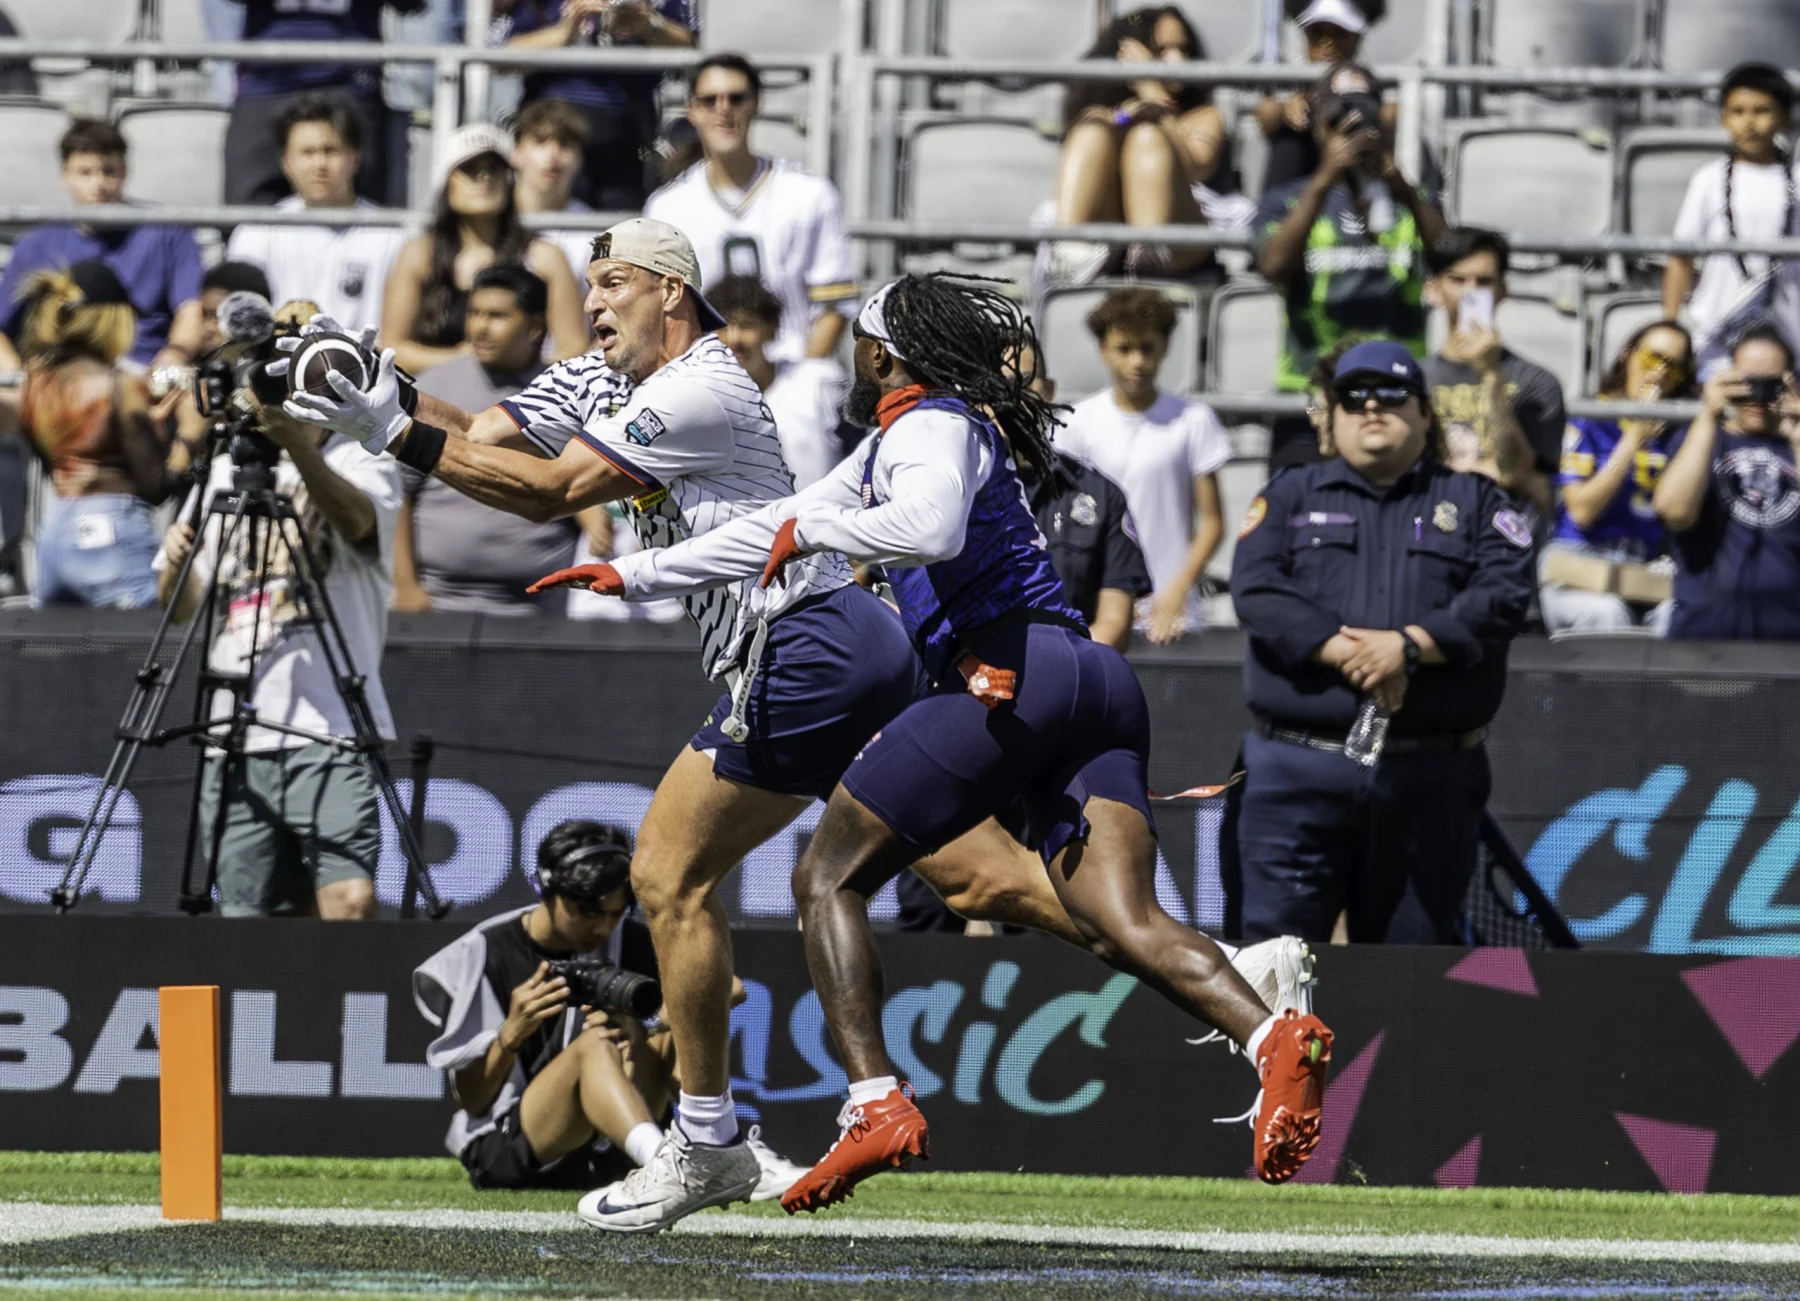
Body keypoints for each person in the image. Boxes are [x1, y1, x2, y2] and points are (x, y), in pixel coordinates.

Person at [280, 220, 1133, 1229]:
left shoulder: (702, 384)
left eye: (614, 283)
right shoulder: (597, 378)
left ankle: (707, 1136)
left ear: (672, 295)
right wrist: (365, 373)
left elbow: (545, 492)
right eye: (589, 283)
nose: (592, 301)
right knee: (976, 875)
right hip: (854, 641)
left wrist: (386, 427)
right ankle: (1192, 958)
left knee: (666, 873)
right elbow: (484, 436)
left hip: (804, 644)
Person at [577, 274, 1335, 1215]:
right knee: (1117, 919)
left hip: (1006, 672)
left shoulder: (926, 423)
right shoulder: (908, 436)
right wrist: (635, 571)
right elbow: (768, 530)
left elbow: (920, 528)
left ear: (887, 351)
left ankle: (874, 1102)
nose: (854, 356)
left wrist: (814, 526)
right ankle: (1272, 1043)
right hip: (1093, 679)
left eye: (861, 340)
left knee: (826, 876)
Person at [1229, 340, 1533, 944]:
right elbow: (1257, 589)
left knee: (1411, 978)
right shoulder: (1290, 494)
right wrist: (1348, 653)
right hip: (1297, 768)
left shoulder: (1474, 501)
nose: (1372, 406)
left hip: (1430, 773)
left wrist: (1412, 646)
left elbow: (1505, 590)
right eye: (1352, 396)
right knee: (1272, 964)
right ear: (1331, 413)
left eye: (1393, 395)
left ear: (1425, 413)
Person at [413, 819, 806, 1198]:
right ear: (545, 890)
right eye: (588, 911)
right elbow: (473, 1101)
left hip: (605, 1153)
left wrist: (651, 1022)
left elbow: (729, 989)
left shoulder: (628, 939)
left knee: (675, 1026)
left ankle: (728, 1147)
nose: (603, 927)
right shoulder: (485, 952)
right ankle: (664, 1162)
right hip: (509, 1146)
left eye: (617, 913)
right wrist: (510, 1035)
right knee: (594, 1046)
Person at [153, 341, 404, 920]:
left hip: (332, 726)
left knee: (350, 903)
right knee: (246, 918)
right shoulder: (224, 469)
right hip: (233, 729)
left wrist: (299, 451)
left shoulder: (361, 458)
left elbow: (358, 523)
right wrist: (177, 563)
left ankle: (346, 1011)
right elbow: (183, 608)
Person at [1255, 62, 1444, 471]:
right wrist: (1324, 181)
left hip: (1395, 394)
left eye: (1364, 116)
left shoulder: (1412, 198)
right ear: (1319, 128)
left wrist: (1403, 189)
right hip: (1307, 391)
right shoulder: (1286, 200)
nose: (1354, 130)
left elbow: (1450, 260)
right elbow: (1271, 266)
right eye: (1339, 119)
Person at [395, 265, 586, 617]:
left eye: (497, 315)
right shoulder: (433, 389)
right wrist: (405, 586)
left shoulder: (567, 395)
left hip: (541, 610)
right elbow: (397, 492)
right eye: (474, 313)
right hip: (435, 601)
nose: (480, 327)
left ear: (534, 326)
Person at [644, 54, 859, 364]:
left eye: (736, 98)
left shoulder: (810, 195)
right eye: (709, 100)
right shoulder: (667, 207)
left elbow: (834, 307)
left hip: (789, 369)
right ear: (691, 110)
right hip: (701, 374)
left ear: (757, 104)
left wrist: (797, 383)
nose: (723, 109)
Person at [1053, 288, 1229, 643]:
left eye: (1147, 348)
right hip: (1095, 612)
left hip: (1171, 616)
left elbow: (1212, 522)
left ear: (1165, 347)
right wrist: (1113, 599)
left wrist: (1174, 594)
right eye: (1124, 348)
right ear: (1103, 350)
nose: (1137, 362)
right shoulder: (1076, 423)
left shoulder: (1193, 420)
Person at [15, 263, 177, 609]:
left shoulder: (36, 384)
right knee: (139, 650)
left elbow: (63, 460)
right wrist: (189, 438)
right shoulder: (121, 384)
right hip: (112, 530)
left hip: (56, 528)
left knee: (59, 659)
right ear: (112, 320)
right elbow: (156, 486)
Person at [1047, 7, 1243, 285]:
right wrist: (1125, 116)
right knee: (1093, 127)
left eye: (1183, 49)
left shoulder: (1205, 116)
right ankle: (1067, 251)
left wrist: (1151, 91)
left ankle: (1148, 254)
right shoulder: (1107, 111)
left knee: (1146, 136)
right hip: (1112, 232)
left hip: (1180, 242)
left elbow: (1196, 166)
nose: (1176, 60)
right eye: (1161, 50)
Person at [380, 123, 590, 376]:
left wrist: (524, 382)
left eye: (495, 169)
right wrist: (463, 360)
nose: (484, 178)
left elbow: (573, 348)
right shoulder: (419, 254)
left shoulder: (545, 257)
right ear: (448, 181)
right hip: (431, 398)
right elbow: (392, 347)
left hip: (518, 403)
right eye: (470, 170)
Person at [0, 120, 204, 374]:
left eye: (108, 172)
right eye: (85, 173)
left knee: (196, 397)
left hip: (143, 372)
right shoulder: (35, 243)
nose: (98, 185)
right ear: (65, 175)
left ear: (124, 172)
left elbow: (190, 310)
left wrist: (172, 359)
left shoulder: (169, 230)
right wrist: (15, 373)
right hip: (59, 377)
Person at [1542, 321, 1695, 635]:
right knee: (1606, 615)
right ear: (1628, 354)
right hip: (1581, 561)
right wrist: (1632, 441)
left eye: (1675, 367)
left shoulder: (1680, 432)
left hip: (1645, 566)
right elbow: (1582, 512)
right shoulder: (1591, 419)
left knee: (1678, 619)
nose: (1661, 373)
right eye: (1653, 359)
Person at [1654, 322, 1800, 640]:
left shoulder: (1796, 446)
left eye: (1771, 384)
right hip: (1705, 639)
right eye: (1748, 382)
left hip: (1789, 648)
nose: (1759, 398)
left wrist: (1798, 438)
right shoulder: (1701, 439)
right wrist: (1709, 415)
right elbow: (1675, 511)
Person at [225, 95, 410, 336]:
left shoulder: (393, 235)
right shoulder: (257, 231)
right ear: (286, 163)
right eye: (307, 152)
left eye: (330, 150)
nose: (319, 164)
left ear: (355, 157)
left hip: (365, 368)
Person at [1663, 63, 1800, 380]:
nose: (1749, 122)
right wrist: (1670, 322)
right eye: (1738, 111)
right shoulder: (1708, 180)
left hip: (1789, 335)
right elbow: (1682, 258)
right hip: (1717, 335)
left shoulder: (1796, 179)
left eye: (1761, 110)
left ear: (1784, 116)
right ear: (1723, 117)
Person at [1014, 340, 1151, 653]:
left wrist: (1056, 670)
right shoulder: (953, 491)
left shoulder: (1100, 495)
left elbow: (1114, 624)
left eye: (1024, 381)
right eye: (997, 383)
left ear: (1047, 390)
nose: (1010, 395)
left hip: (1072, 680)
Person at [498, 0, 698, 211]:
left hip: (627, 126)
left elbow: (692, 45)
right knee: (549, 222)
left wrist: (649, 26)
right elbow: (501, 57)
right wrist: (564, 32)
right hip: (552, 122)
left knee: (617, 231)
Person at [1422, 228, 1567, 513]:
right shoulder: (1415, 380)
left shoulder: (1538, 384)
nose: (1471, 291)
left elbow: (1515, 472)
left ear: (1503, 290)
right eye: (1458, 279)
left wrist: (1490, 375)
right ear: (1434, 289)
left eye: (1484, 281)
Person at [223, 0, 420, 206]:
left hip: (349, 79)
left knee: (365, 209)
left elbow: (409, 5)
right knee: (246, 212)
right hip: (265, 79)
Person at [708, 274, 846, 488]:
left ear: (771, 328)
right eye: (723, 327)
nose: (733, 338)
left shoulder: (817, 383)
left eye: (746, 325)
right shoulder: (701, 400)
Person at [1255, 0, 1394, 192]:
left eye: (1340, 33)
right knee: (1289, 141)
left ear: (1358, 37)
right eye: (1317, 33)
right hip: (1305, 193)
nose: (1327, 43)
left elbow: (1393, 115)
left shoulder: (1379, 82)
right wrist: (1284, 109)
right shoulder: (1289, 84)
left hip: (1359, 183)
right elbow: (1265, 112)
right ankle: (1279, 214)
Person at [512, 98, 601, 285]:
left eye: (565, 145)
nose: (553, 155)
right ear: (516, 152)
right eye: (540, 141)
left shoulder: (594, 233)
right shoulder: (489, 220)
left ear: (580, 159)